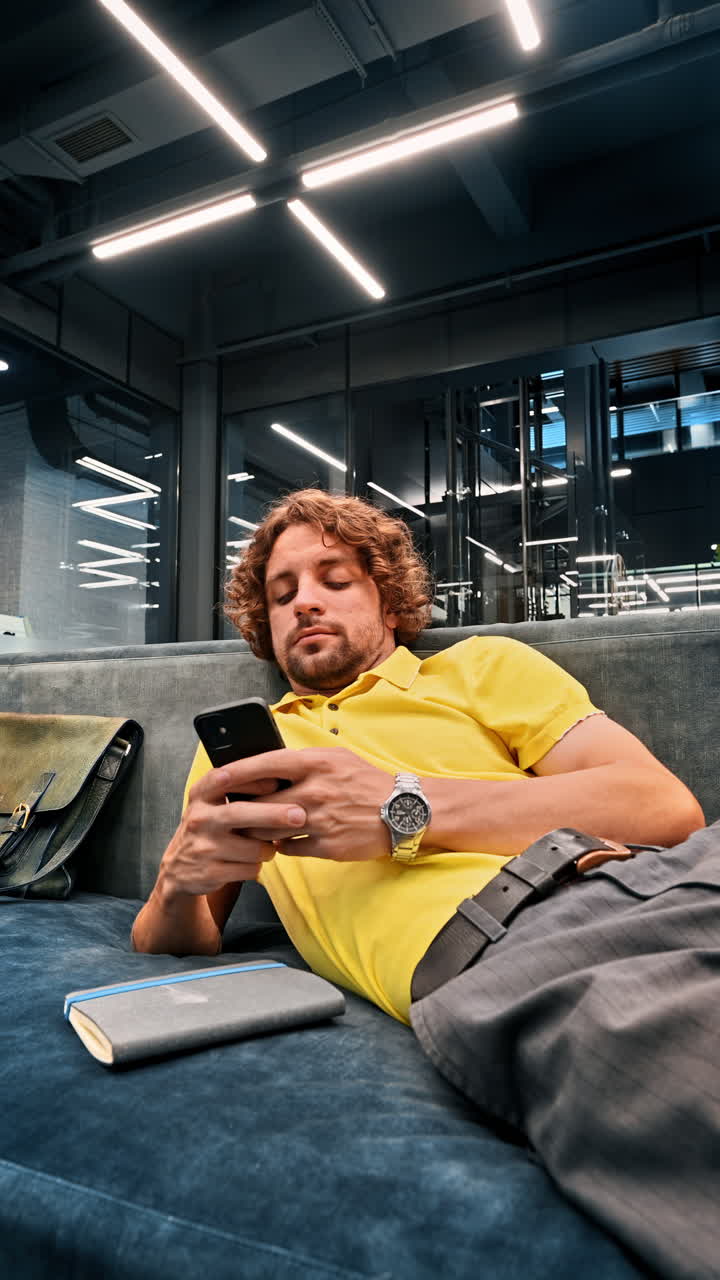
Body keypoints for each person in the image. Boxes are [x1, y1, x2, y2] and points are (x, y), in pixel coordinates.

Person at [133, 487, 717, 1280]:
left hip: (671, 879)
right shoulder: (245, 759)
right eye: (281, 592)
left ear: (389, 599)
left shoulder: (484, 667)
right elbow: (180, 935)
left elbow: (665, 808)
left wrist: (400, 808)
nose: (304, 601)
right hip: (518, 949)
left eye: (333, 579)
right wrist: (176, 888)